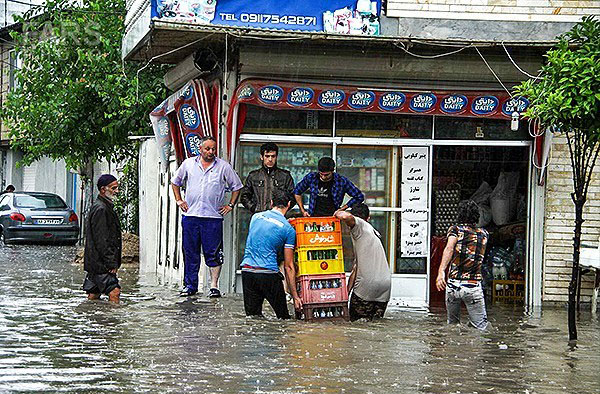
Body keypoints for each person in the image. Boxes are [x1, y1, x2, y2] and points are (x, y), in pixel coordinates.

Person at [172, 136, 243, 298]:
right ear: (200, 149)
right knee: (190, 252)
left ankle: (214, 286)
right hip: (191, 216)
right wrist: (179, 200)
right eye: (207, 149)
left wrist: (230, 205)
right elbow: (175, 182)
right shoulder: (189, 164)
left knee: (214, 252)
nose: (211, 152)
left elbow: (237, 186)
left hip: (213, 218)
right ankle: (190, 285)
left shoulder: (223, 167)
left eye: (213, 149)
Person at [240, 189, 302, 318]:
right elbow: (288, 266)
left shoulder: (255, 217)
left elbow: (262, 236)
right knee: (284, 319)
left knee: (253, 318)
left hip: (247, 271)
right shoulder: (288, 229)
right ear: (289, 204)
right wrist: (295, 297)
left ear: (272, 202)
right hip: (268, 273)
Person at [435, 200, 490, 330]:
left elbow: (449, 248)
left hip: (453, 286)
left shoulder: (455, 230)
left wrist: (441, 272)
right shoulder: (484, 234)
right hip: (472, 286)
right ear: (477, 216)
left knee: (452, 325)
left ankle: (452, 349)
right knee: (481, 328)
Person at [335, 203, 391, 321]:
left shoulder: (359, 226)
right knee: (375, 326)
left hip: (367, 285)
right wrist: (347, 293)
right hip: (385, 287)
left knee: (355, 325)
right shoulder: (373, 231)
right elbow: (356, 269)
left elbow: (344, 217)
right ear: (369, 217)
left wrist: (338, 211)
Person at [83, 174, 122, 303]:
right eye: (113, 188)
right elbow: (102, 239)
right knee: (114, 291)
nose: (117, 191)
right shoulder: (101, 209)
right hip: (101, 264)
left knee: (94, 295)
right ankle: (112, 321)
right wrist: (111, 262)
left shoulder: (104, 206)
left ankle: (94, 319)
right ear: (103, 189)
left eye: (117, 188)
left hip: (96, 262)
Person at [293, 157, 364, 217]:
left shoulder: (341, 181)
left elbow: (359, 196)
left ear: (332, 171)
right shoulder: (312, 177)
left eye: (326, 175)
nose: (323, 177)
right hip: (313, 217)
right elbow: (297, 191)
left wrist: (342, 209)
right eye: (321, 174)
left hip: (333, 217)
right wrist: (303, 211)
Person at [240, 142, 295, 214]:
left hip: (278, 217)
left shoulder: (285, 176)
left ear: (276, 157)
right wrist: (254, 208)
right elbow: (244, 196)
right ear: (262, 157)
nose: (270, 159)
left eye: (273, 156)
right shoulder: (253, 176)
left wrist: (282, 210)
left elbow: (293, 197)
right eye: (267, 156)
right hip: (259, 216)